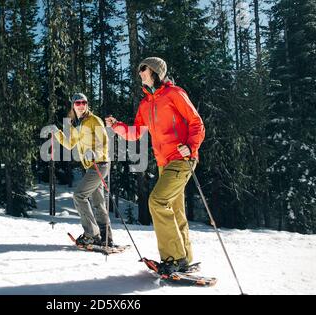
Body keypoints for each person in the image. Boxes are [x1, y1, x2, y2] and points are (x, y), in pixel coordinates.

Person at [105, 57, 205, 274]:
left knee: (158, 201)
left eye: (144, 68)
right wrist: (117, 127)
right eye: (140, 69)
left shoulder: (174, 94)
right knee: (175, 210)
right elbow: (136, 133)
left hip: (182, 157)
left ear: (156, 72)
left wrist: (191, 145)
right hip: (164, 163)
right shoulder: (145, 104)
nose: (140, 72)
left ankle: (174, 258)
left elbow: (196, 122)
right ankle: (184, 259)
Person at [53, 93, 114, 247]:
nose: (81, 105)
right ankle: (106, 238)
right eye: (77, 103)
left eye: (84, 102)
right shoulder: (77, 124)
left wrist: (95, 153)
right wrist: (57, 133)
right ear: (73, 106)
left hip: (100, 164)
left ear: (87, 105)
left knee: (79, 195)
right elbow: (69, 143)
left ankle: (91, 234)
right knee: (98, 202)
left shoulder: (94, 120)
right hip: (91, 167)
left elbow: (104, 142)